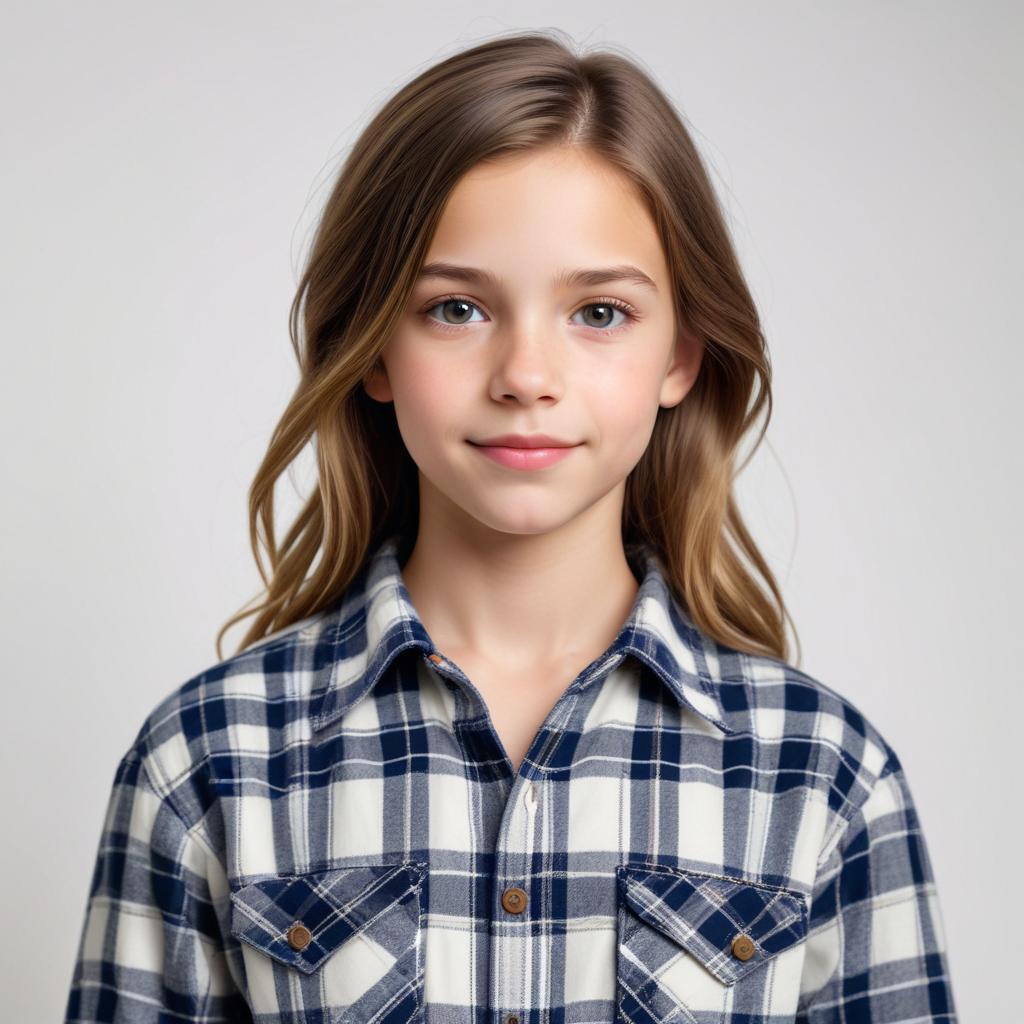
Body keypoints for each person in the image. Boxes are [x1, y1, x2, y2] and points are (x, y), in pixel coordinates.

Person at [64, 30, 958, 1024]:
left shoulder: (825, 777)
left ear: (681, 355)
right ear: (372, 348)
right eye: (456, 308)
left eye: (600, 313)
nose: (526, 376)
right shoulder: (206, 763)